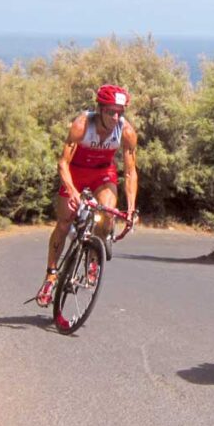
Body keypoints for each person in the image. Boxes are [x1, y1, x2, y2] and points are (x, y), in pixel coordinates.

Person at [36, 84, 139, 306]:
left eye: (119, 112)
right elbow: (63, 162)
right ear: (100, 109)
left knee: (107, 213)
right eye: (110, 111)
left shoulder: (127, 132)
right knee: (64, 223)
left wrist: (130, 208)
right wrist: (72, 190)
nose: (115, 117)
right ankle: (51, 275)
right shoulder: (82, 124)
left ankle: (94, 258)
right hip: (75, 172)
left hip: (102, 173)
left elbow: (130, 172)